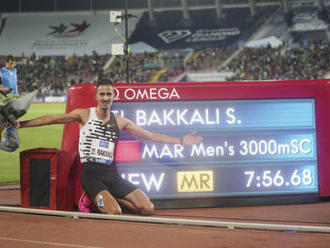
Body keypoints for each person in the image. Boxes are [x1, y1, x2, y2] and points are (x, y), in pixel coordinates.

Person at [17, 79, 203, 216]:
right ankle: (91, 197)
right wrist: (21, 124)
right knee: (114, 212)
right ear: (97, 96)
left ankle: (104, 196)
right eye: (102, 94)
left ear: (113, 97)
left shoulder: (120, 121)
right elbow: (51, 119)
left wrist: (180, 141)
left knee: (147, 208)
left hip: (112, 175)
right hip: (91, 175)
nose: (106, 98)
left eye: (109, 94)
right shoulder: (83, 115)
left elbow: (151, 136)